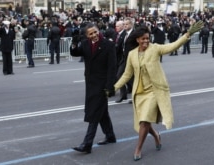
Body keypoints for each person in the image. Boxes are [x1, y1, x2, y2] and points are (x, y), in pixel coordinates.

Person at [114, 21, 204, 161]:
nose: (146, 41)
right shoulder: (132, 54)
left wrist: (187, 34)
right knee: (144, 120)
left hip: (153, 91)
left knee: (144, 121)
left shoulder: (155, 48)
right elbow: (127, 74)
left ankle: (138, 148)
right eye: (143, 38)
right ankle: (156, 135)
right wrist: (114, 87)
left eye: (147, 38)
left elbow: (172, 46)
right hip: (139, 93)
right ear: (137, 39)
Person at [70, 23, 117, 154]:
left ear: (98, 30)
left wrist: (109, 86)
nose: (94, 35)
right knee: (101, 111)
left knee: (95, 111)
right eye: (90, 34)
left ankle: (87, 143)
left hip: (103, 85)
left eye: (95, 32)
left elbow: (112, 68)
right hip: (90, 83)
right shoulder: (85, 44)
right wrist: (74, 43)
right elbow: (75, 53)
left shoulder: (108, 45)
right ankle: (110, 135)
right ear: (87, 35)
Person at [115, 17, 135, 103]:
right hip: (124, 59)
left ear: (131, 24)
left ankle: (135, 96)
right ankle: (123, 95)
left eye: (127, 24)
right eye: (124, 24)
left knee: (132, 79)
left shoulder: (134, 34)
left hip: (132, 59)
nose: (125, 26)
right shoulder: (125, 34)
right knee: (119, 75)